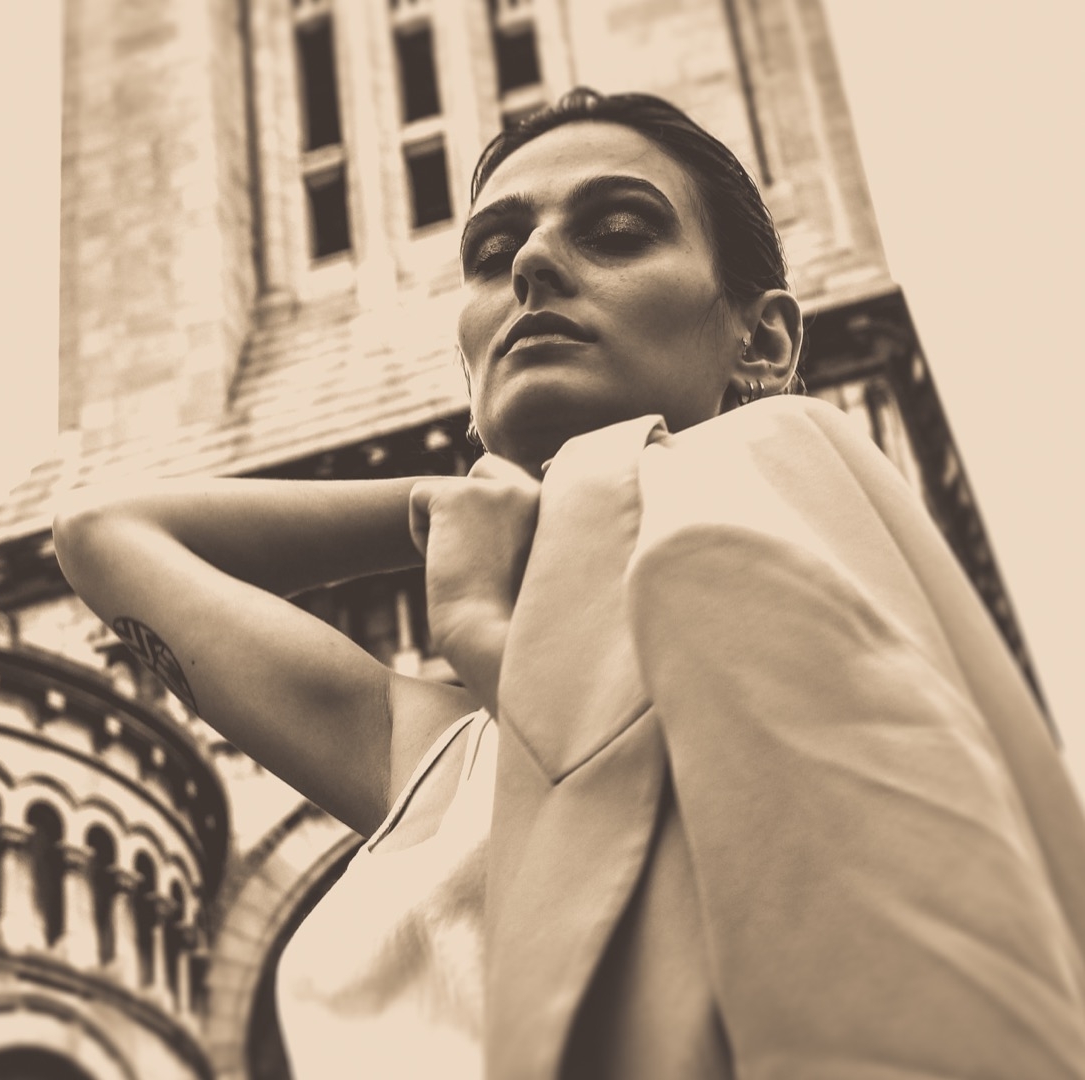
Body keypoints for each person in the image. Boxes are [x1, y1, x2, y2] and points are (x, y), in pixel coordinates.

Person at [54, 90, 1085, 1079]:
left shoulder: (777, 451)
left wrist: (485, 624)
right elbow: (104, 534)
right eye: (491, 254)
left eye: (618, 232)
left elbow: (882, 912)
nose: (533, 263)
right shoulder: (447, 764)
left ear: (762, 339)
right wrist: (439, 507)